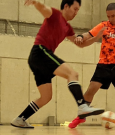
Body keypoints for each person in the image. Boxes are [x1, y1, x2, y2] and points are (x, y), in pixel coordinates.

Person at [10, 0, 105, 128]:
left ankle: (20, 119)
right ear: (66, 6)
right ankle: (82, 106)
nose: (76, 12)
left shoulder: (68, 28)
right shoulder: (55, 14)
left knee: (46, 97)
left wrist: (97, 37)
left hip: (37, 59)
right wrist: (35, 2)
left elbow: (80, 44)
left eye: (78, 10)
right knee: (72, 74)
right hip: (40, 52)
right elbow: (43, 8)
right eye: (75, 9)